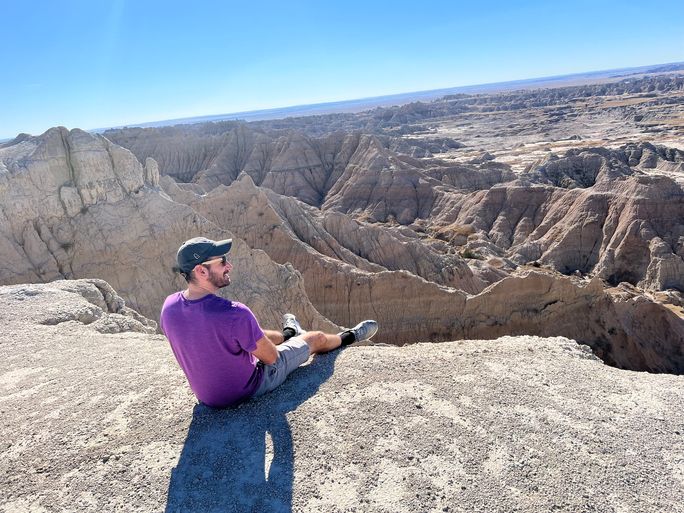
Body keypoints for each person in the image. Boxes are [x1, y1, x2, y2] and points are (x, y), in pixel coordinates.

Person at [160, 237, 378, 408]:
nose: (230, 266)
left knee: (248, 334)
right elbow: (272, 357)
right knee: (315, 338)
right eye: (223, 261)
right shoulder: (234, 313)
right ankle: (349, 336)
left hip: (208, 397)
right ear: (201, 270)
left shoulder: (169, 307)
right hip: (249, 388)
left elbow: (207, 336)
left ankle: (289, 332)